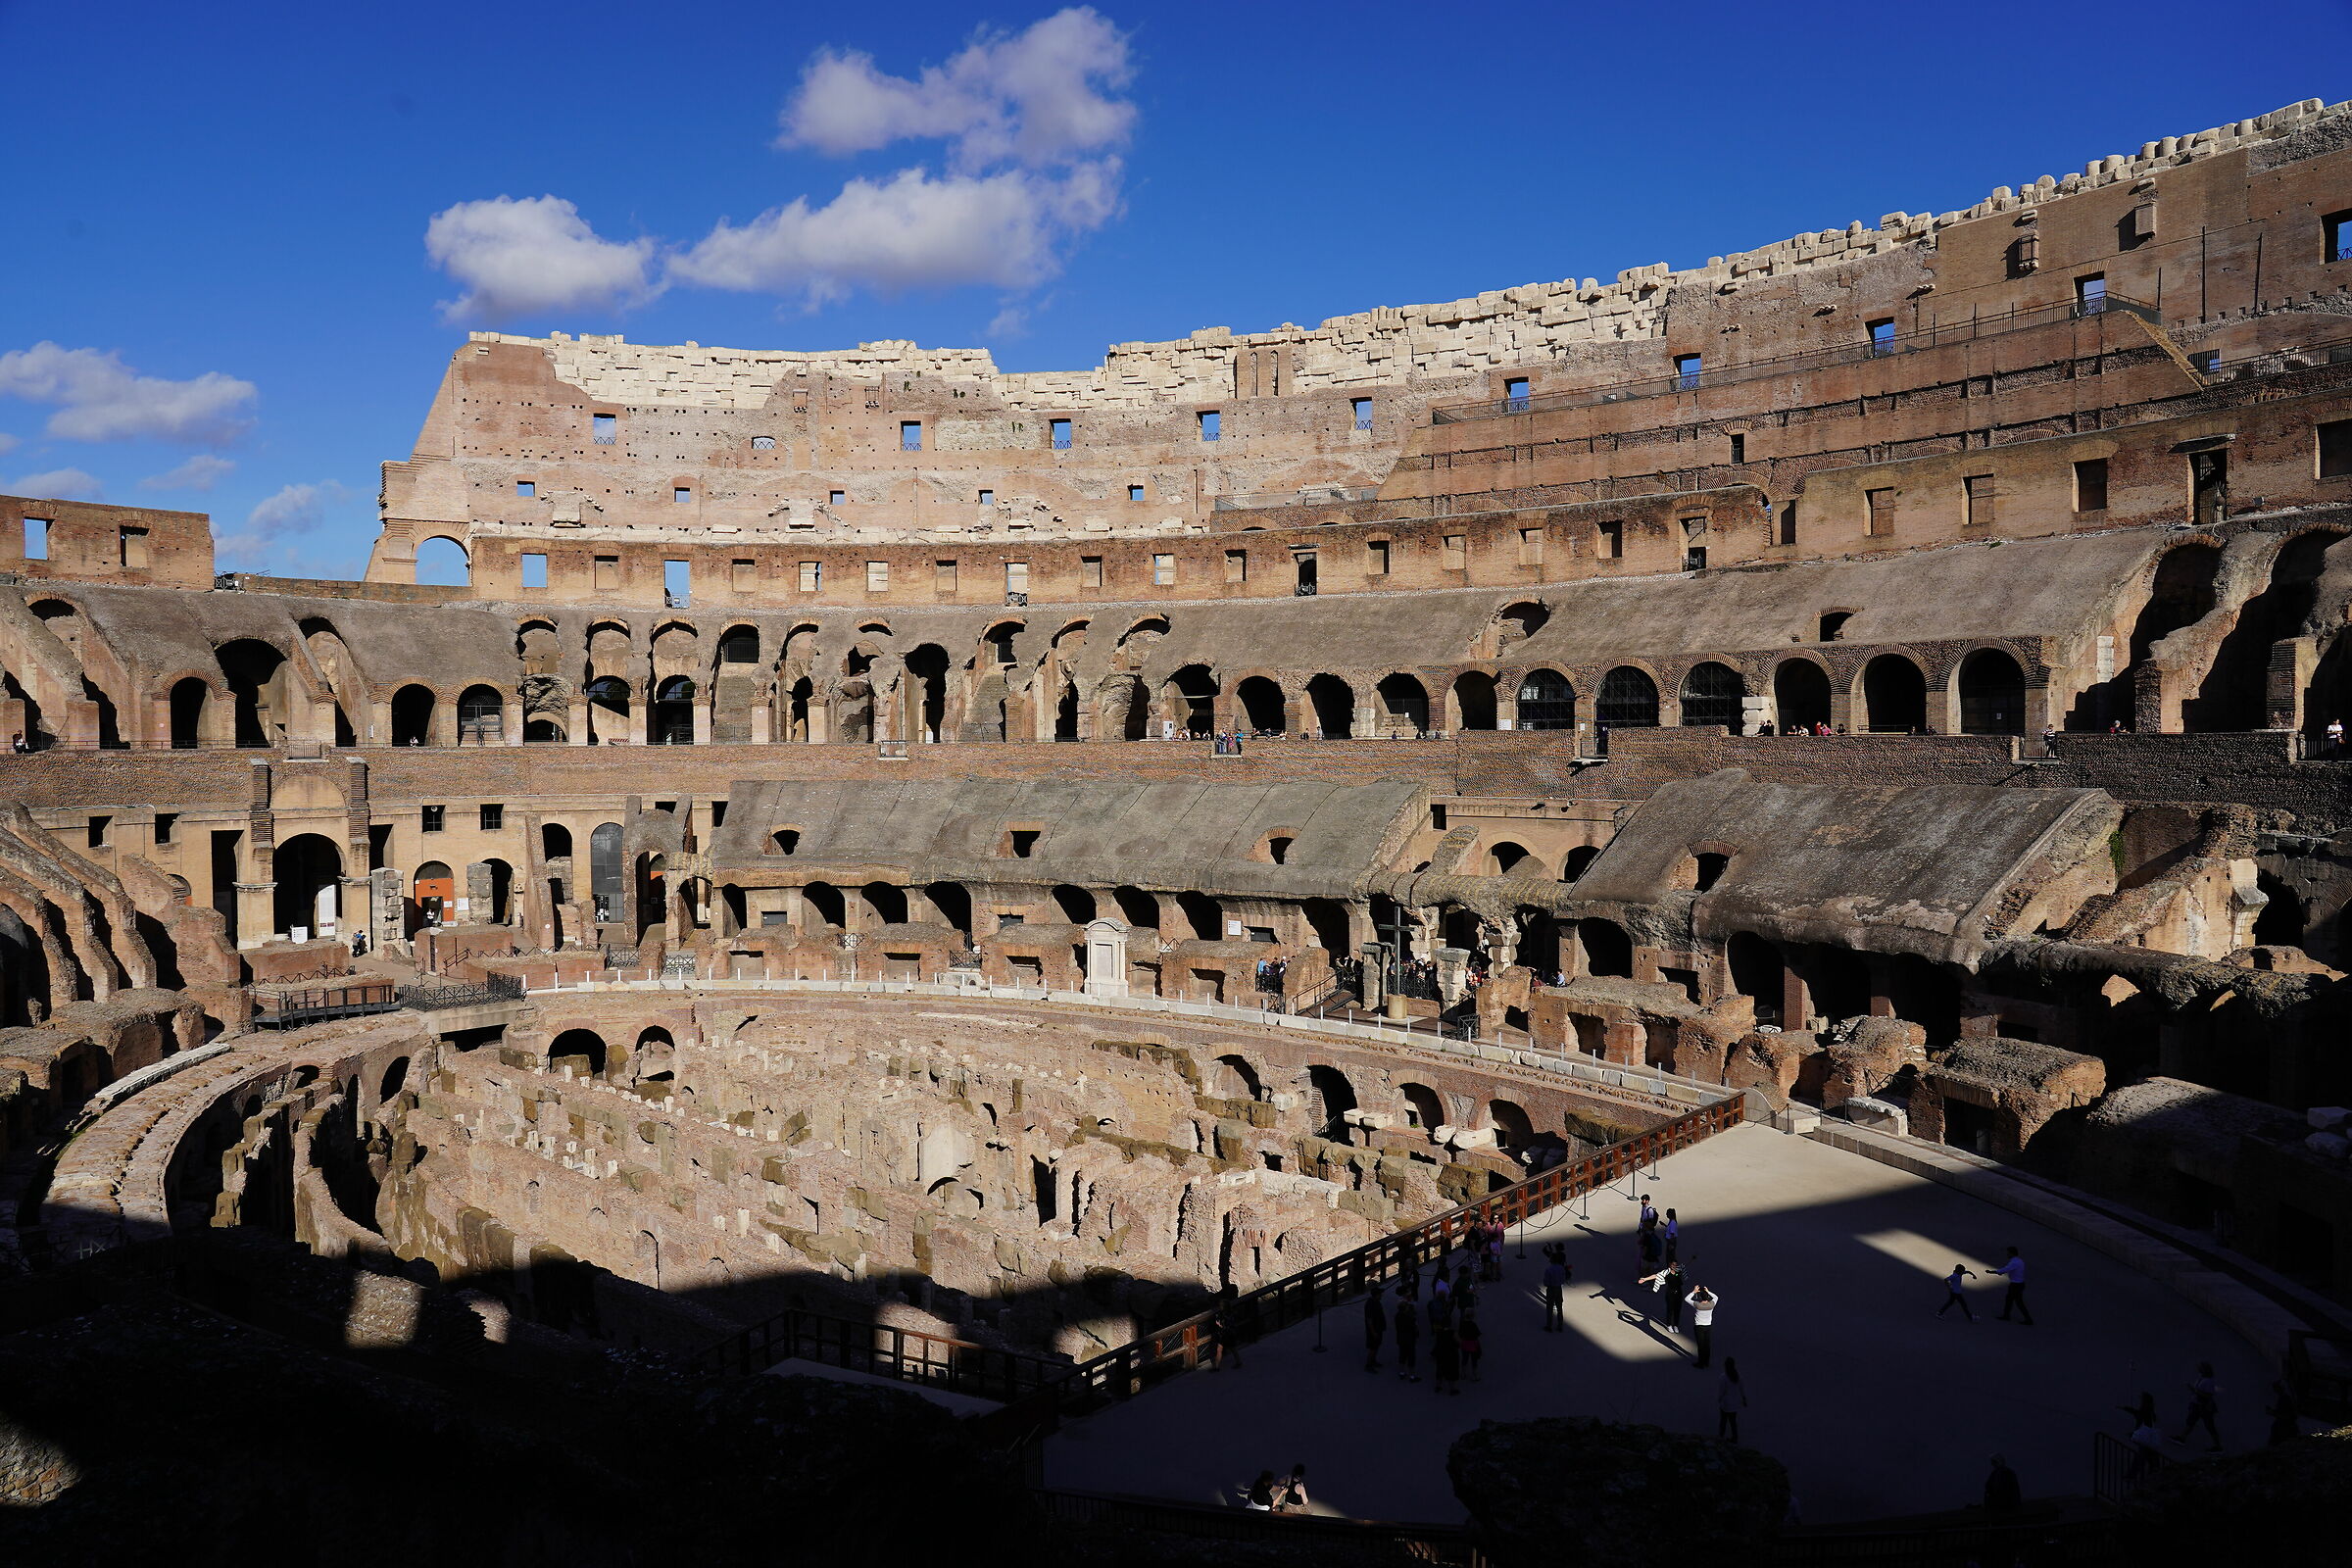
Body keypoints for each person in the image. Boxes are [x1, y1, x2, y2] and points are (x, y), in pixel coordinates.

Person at [2175, 1362, 2222, 1451]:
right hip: (2198, 1405)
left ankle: (2218, 1446)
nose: (2199, 1370)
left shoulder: (2208, 1381)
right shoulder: (2202, 1378)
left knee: (2209, 1426)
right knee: (2191, 1422)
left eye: (2201, 1368)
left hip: (2204, 1407)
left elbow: (2207, 1395)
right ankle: (2182, 1438)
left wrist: (2193, 1390)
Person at [1639, 1259, 1688, 1334]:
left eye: (1675, 1265)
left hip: (1679, 1293)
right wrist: (1645, 1279)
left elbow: (1684, 1267)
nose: (1674, 1266)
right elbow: (1656, 1275)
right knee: (1670, 1309)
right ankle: (1669, 1325)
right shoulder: (1666, 1272)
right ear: (1670, 1265)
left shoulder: (1679, 1270)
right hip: (1670, 1293)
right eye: (1673, 1265)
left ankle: (1676, 1325)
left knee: (1677, 1310)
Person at [1990, 1246, 2033, 1324]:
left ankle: (2028, 1319)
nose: (2007, 1254)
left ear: (2012, 1253)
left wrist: (1993, 1272)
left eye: (2008, 1253)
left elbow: (2005, 1269)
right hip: (2019, 1284)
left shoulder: (2014, 1262)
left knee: (2018, 1302)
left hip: (2015, 1285)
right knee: (2009, 1300)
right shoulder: (2019, 1261)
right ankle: (2006, 1315)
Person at [1212, 1282, 1244, 1371]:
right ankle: (1217, 1367)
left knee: (1224, 1349)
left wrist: (1219, 1325)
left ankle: (1218, 1367)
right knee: (1223, 1349)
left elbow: (1226, 1326)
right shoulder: (1230, 1314)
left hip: (1226, 1334)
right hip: (1228, 1334)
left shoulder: (1226, 1315)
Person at [1686, 1285, 1718, 1368]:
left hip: (1699, 1327)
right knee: (1707, 1345)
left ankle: (1701, 1363)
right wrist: (1708, 1291)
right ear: (1708, 1297)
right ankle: (1706, 1362)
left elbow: (1686, 1299)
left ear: (1700, 1297)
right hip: (1708, 1326)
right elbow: (1716, 1297)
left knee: (1700, 1346)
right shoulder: (1712, 1304)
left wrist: (1694, 1291)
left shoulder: (1697, 1305)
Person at [1717, 1357, 1748, 1442]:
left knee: (1723, 1421)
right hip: (1734, 1404)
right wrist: (1744, 1399)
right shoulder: (1738, 1376)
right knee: (1733, 1422)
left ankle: (1721, 1436)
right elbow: (1742, 1389)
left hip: (1725, 1404)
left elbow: (1721, 1392)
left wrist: (1719, 1399)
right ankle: (1735, 1437)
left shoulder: (1723, 1378)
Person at [1394, 1290, 1420, 1383]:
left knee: (1402, 1355)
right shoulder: (1410, 1318)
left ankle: (1402, 1373)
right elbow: (1414, 1328)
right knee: (1411, 1357)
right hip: (1410, 1339)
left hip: (1401, 1338)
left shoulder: (1397, 1316)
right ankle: (1412, 1376)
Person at [1431, 1318, 1461, 1396]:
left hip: (1441, 1354)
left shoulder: (1439, 1333)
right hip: (1451, 1354)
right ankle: (1452, 1389)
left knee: (1440, 1370)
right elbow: (1459, 1342)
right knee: (1451, 1371)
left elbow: (1437, 1344)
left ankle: (1438, 1386)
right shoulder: (1453, 1332)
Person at [2266, 1381, 2301, 1446]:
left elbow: (2284, 1414)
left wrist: (2272, 1412)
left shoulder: (2285, 1399)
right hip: (2285, 1426)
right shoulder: (2284, 1398)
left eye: (2276, 1388)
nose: (2275, 1391)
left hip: (2285, 1427)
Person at [1541, 1248, 1568, 1332]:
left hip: (1551, 1289)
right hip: (1559, 1289)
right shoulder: (1561, 1268)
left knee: (1549, 1308)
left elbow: (1546, 1282)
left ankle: (1549, 1326)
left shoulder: (1549, 1269)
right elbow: (1564, 1279)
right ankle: (1560, 1325)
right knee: (1559, 1307)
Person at [1362, 1288, 1387, 1372]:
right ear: (1376, 1295)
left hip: (1378, 1328)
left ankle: (1373, 1361)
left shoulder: (1376, 1302)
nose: (1381, 1295)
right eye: (1380, 1294)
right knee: (1373, 1348)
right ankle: (1368, 1365)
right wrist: (1373, 1332)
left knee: (1376, 1346)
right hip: (1374, 1330)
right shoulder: (1370, 1304)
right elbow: (1369, 1320)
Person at [1457, 1310, 1484, 1383]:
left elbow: (1460, 1334)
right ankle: (1475, 1375)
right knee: (1474, 1360)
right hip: (1473, 1345)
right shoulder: (1473, 1325)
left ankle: (1463, 1373)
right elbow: (1477, 1334)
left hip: (1465, 1344)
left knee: (1464, 1359)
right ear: (1472, 1317)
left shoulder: (1462, 1325)